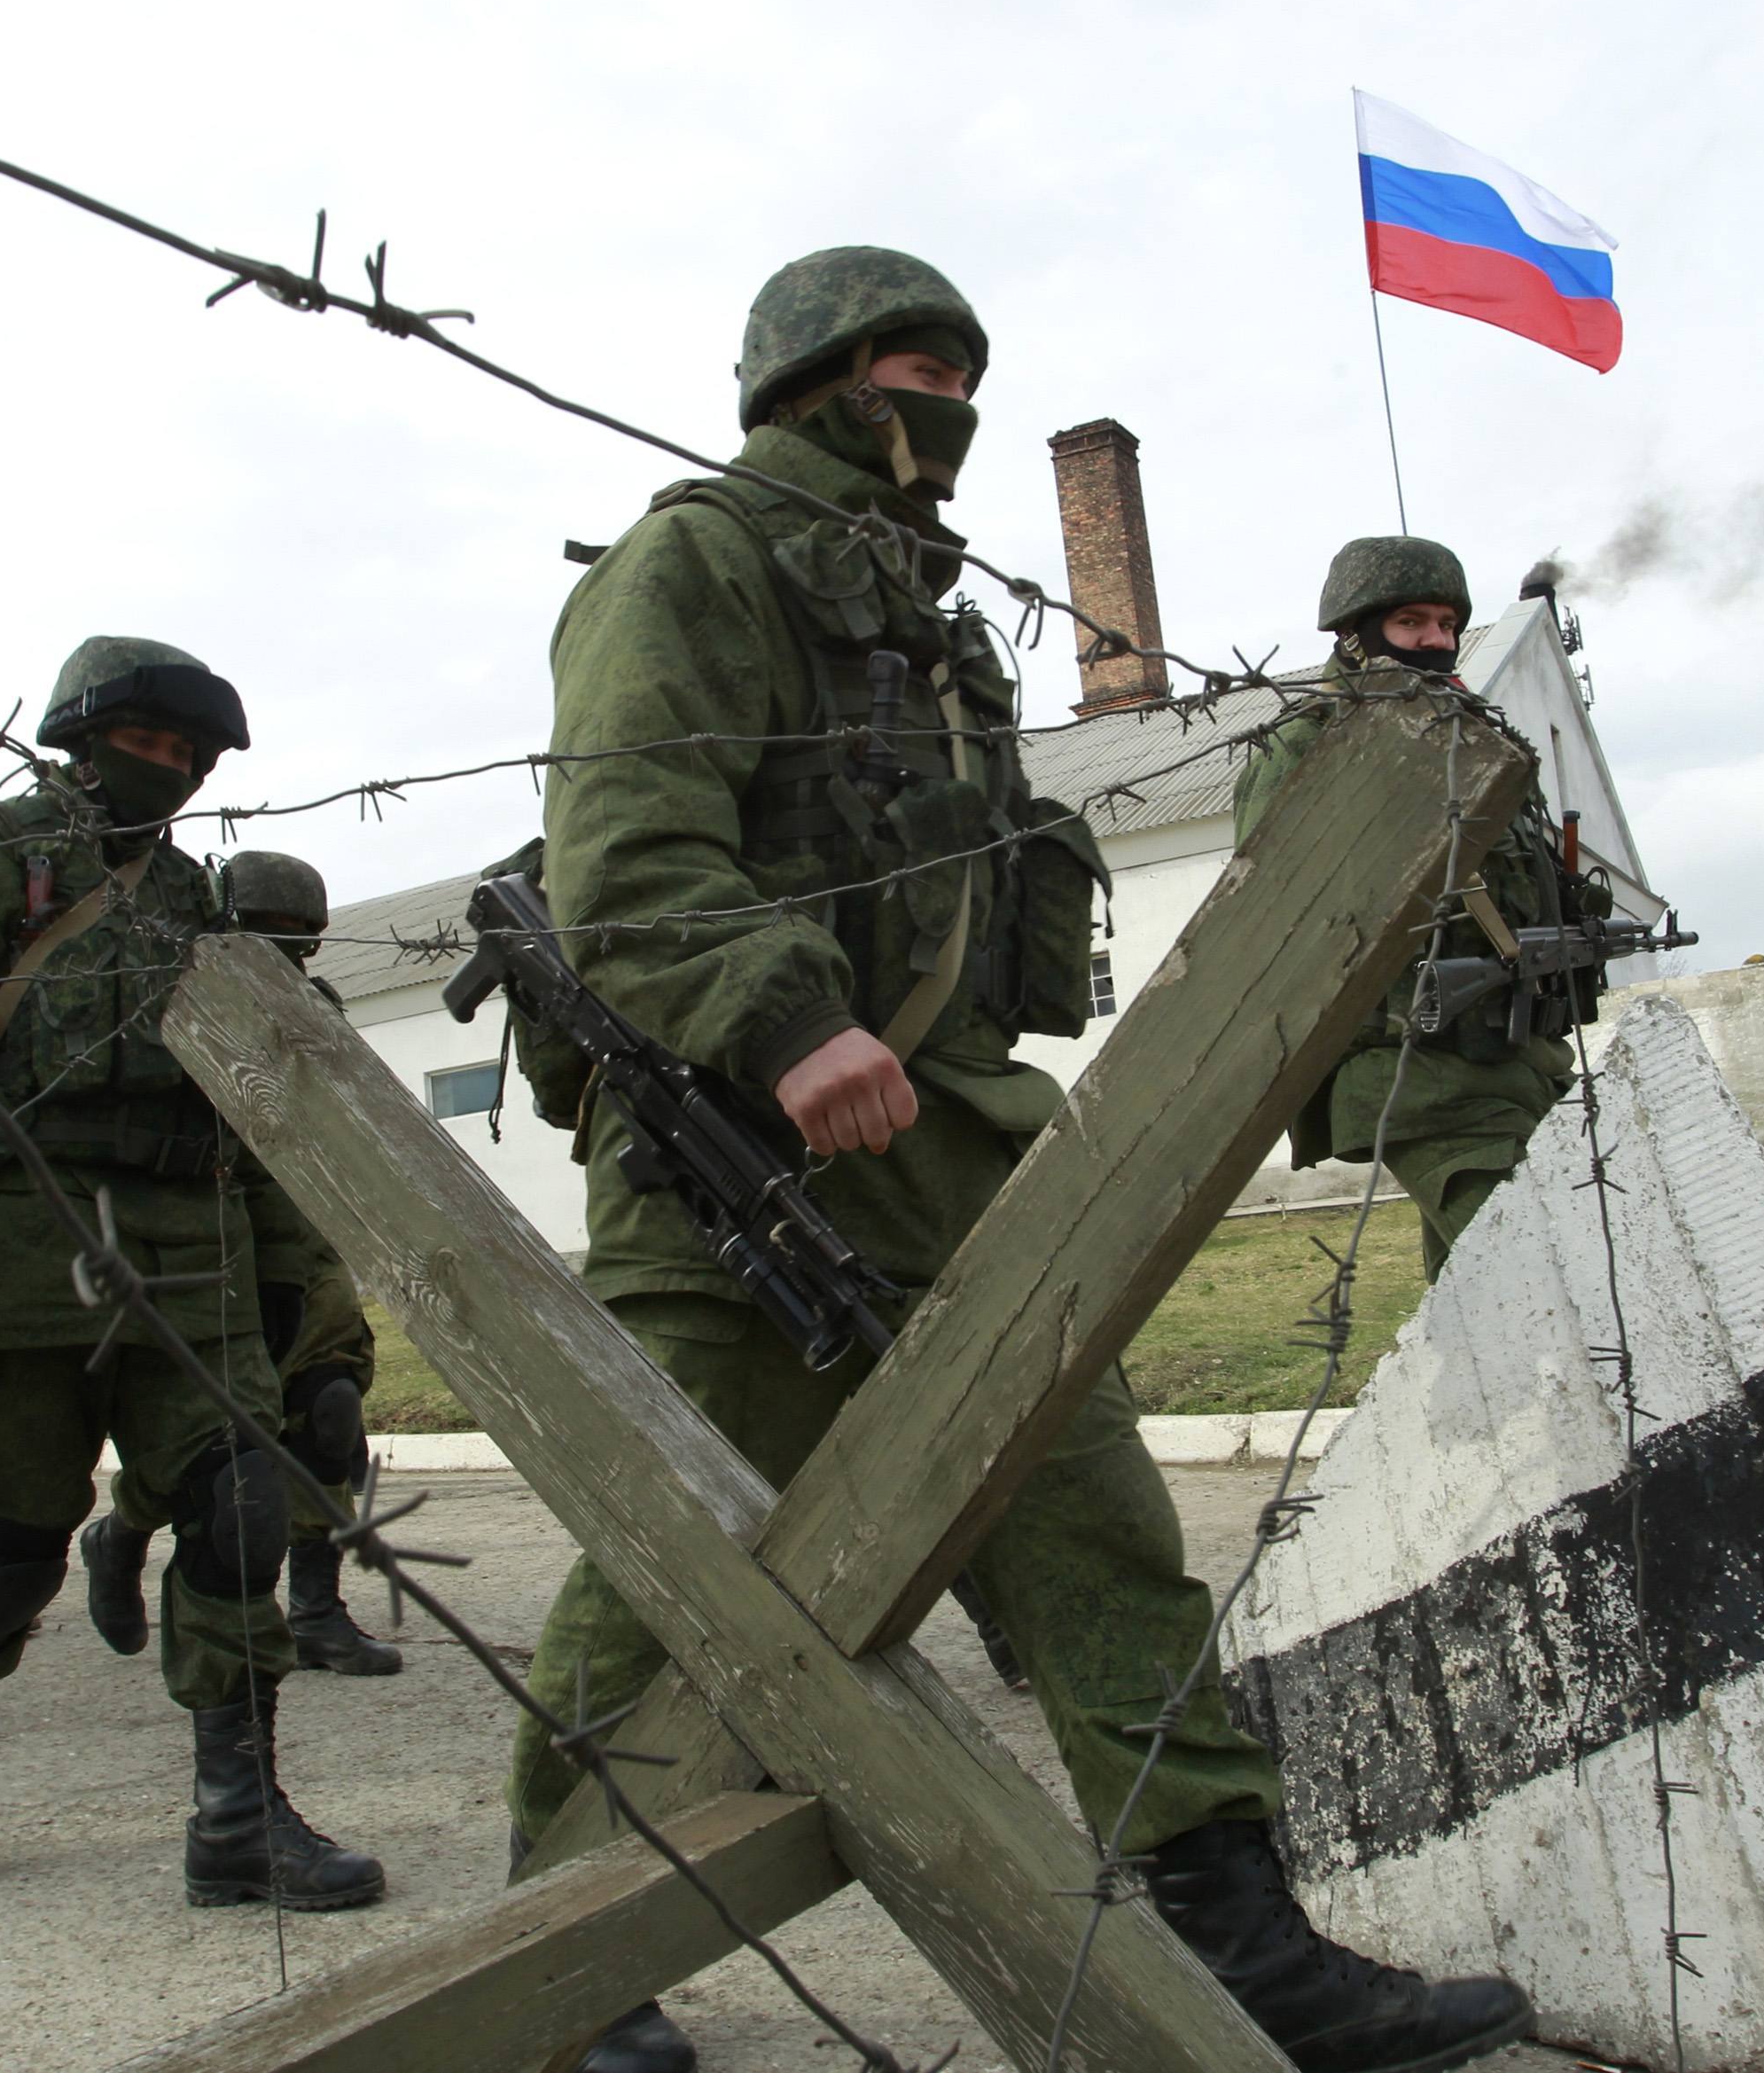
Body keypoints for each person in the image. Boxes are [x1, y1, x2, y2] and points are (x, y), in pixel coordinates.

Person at [503, 248, 1534, 2073]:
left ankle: (1230, 1929)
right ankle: (565, 1957)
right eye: (912, 368)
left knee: (1097, 1527)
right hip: (739, 1154)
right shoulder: (699, 562)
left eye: (961, 374)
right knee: (677, 1556)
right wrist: (780, 1016)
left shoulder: (929, 616)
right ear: (814, 380)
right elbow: (628, 851)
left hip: (953, 1148)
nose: (946, 405)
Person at [0, 637, 386, 1909]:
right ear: (83, 734)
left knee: (242, 1507)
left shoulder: (196, 905)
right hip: (13, 1260)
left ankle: (239, 1813)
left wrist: (280, 1262)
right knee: (9, 1544)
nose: (163, 771)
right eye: (148, 744)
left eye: (187, 756)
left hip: (192, 1253)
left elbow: (260, 1096)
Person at [77, 848, 401, 1679]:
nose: (285, 959)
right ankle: (120, 1533)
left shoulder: (316, 1007)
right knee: (219, 1436)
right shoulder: (166, 996)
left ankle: (318, 1610)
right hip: (208, 1232)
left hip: (302, 1231)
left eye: (303, 942)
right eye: (266, 936)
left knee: (328, 1412)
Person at [1232, 539, 1584, 1279]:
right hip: (1415, 1071)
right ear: (1355, 634)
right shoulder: (1310, 742)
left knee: (1482, 1293)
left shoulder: (1476, 733)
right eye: (1412, 622)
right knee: (1535, 1269)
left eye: (1448, 623)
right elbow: (1271, 913)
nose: (1437, 639)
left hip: (1514, 1059)